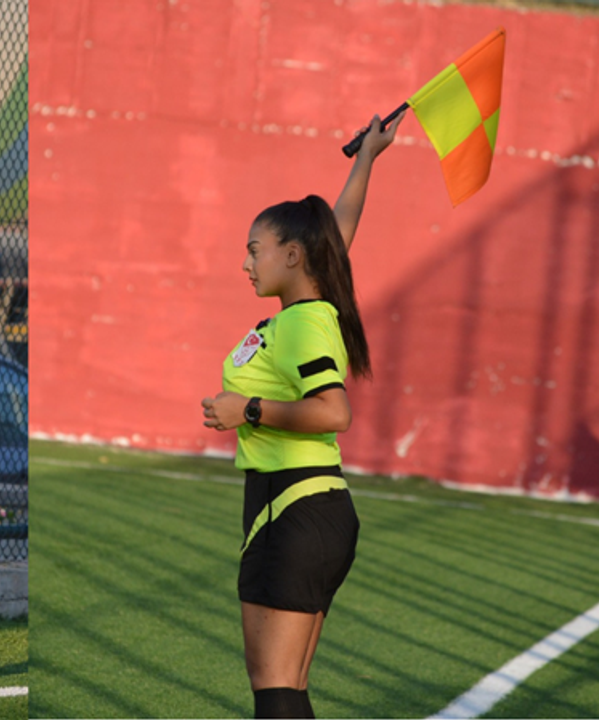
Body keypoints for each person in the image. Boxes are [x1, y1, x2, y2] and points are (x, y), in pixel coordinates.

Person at [200, 113, 402, 719]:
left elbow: (334, 411)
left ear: (291, 256)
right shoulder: (310, 305)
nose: (246, 265)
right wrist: (366, 159)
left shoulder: (303, 323)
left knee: (275, 687)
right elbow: (334, 238)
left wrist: (247, 409)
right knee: (287, 685)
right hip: (306, 509)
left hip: (293, 510)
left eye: (253, 251)